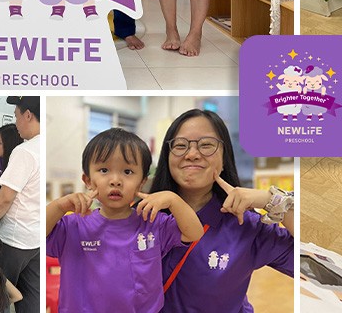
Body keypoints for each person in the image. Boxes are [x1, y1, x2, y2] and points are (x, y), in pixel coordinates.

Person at [150, 109, 294, 312]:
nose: (191, 154)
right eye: (180, 146)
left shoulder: (246, 224)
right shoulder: (143, 216)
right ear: (167, 157)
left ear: (224, 158)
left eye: (206, 145)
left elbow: (308, 256)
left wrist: (270, 199)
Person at [46, 128, 203, 312]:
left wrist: (173, 199)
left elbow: (195, 232)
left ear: (142, 181)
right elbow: (39, 232)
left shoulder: (152, 222)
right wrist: (59, 206)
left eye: (128, 172)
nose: (115, 180)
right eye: (104, 170)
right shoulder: (74, 225)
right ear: (87, 180)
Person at [0, 96, 41, 313]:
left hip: (13, 240)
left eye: (16, 116)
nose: (16, 124)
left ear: (28, 115)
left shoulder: (25, 151)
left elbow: (6, 197)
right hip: (35, 240)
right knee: (31, 298)